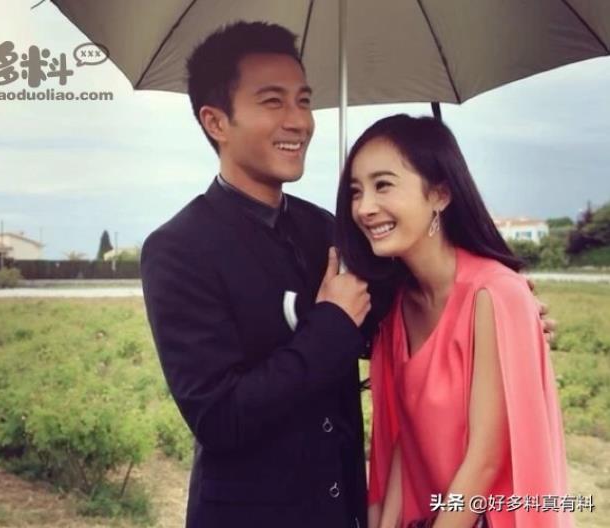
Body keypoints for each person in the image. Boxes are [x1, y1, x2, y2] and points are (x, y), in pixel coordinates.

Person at [140, 21, 372, 528]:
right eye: (273, 102)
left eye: (304, 101)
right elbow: (221, 417)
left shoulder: (326, 229)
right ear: (216, 122)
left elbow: (388, 328)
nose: (299, 122)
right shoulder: (179, 249)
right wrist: (331, 324)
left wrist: (484, 309)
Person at [335, 114, 572, 528]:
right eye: (356, 191)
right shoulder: (396, 310)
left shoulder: (494, 294)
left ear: (440, 195)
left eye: (383, 185)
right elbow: (403, 445)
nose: (364, 208)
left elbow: (485, 460)